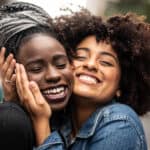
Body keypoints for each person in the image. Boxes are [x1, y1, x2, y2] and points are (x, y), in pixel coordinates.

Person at [0, 5, 150, 150]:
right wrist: (15, 103)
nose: (90, 65)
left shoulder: (120, 122)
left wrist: (41, 122)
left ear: (121, 85)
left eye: (105, 62)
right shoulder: (59, 120)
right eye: (81, 56)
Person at [0, 2, 73, 149]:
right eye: (36, 68)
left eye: (61, 64)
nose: (53, 75)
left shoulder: (73, 118)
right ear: (11, 72)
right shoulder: (10, 122)